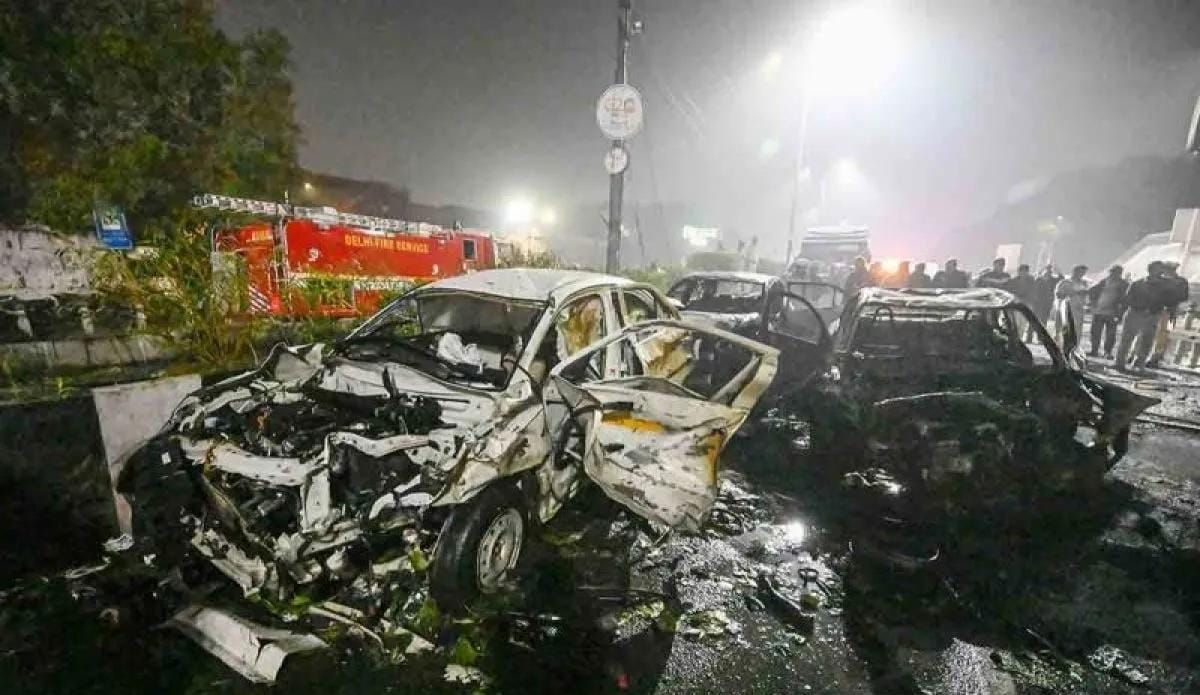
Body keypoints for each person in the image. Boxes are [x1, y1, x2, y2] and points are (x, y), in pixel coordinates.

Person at [1115, 261, 1170, 372]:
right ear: (1151, 270)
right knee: (1127, 339)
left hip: (1153, 315)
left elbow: (1169, 300)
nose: (1161, 271)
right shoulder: (1138, 283)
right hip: (1135, 313)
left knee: (1147, 341)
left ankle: (1139, 364)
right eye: (1158, 269)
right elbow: (1127, 299)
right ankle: (1119, 363)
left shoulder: (1165, 286)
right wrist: (1138, 306)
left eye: (1162, 269)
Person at [1147, 261, 1191, 368]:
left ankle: (1155, 358)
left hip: (1171, 312)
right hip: (1157, 311)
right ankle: (1139, 354)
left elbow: (1184, 296)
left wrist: (1172, 298)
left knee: (1165, 335)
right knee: (1149, 333)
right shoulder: (1161, 281)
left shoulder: (1181, 282)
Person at [1086, 265, 1129, 359]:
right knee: (1095, 332)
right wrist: (1092, 303)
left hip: (1112, 312)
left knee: (1111, 334)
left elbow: (1125, 300)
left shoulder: (1124, 284)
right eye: (1113, 272)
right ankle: (1094, 350)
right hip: (1099, 311)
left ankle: (1107, 352)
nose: (1114, 274)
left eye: (1117, 272)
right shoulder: (1104, 281)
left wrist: (1120, 313)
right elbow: (1091, 290)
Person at [1053, 264, 1089, 346]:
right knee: (1064, 330)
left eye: (1083, 272)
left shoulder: (1084, 284)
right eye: (1080, 272)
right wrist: (1073, 293)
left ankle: (1073, 348)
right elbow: (1058, 295)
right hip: (1066, 310)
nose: (1082, 274)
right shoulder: (1065, 282)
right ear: (1074, 272)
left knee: (1077, 331)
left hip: (1078, 311)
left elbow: (1086, 299)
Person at [1031, 265, 1062, 335]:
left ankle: (1040, 336)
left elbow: (1061, 278)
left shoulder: (1053, 280)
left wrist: (1057, 270)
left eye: (1049, 272)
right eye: (1046, 272)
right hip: (1037, 303)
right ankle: (1029, 337)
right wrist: (1042, 269)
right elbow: (1034, 278)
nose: (1047, 274)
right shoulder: (1038, 279)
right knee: (1033, 319)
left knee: (1044, 320)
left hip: (1047, 303)